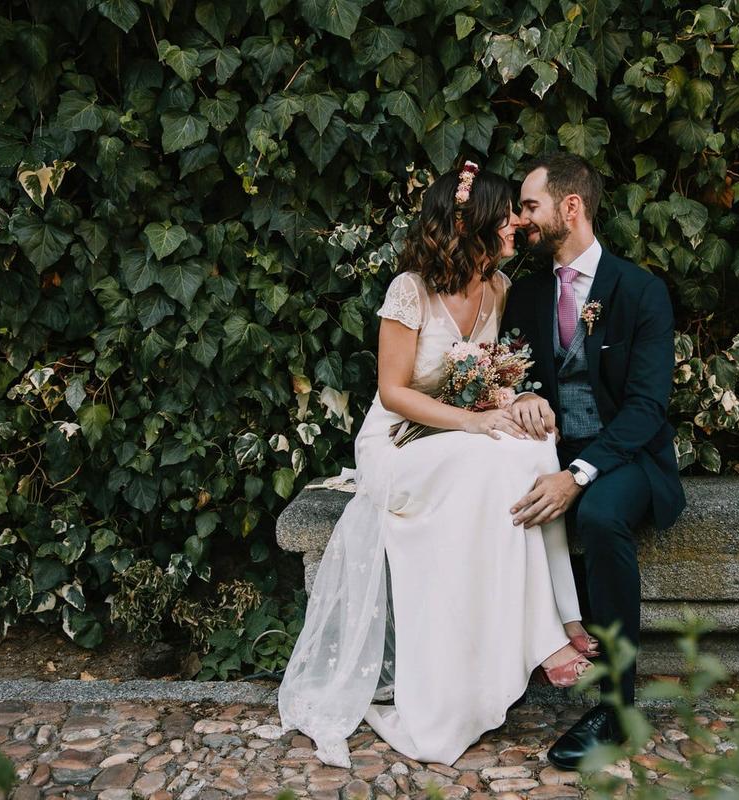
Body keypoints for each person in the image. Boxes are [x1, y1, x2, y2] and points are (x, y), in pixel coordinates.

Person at [278, 161, 597, 768]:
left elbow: (488, 379)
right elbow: (394, 392)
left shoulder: (498, 289)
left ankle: (560, 616)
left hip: (454, 435)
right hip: (397, 444)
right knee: (491, 461)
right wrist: (478, 421)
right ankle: (545, 636)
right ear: (472, 221)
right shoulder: (410, 289)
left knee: (535, 446)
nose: (515, 227)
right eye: (506, 216)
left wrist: (519, 401)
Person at [501, 152, 687, 770]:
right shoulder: (526, 294)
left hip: (628, 456)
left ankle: (617, 708)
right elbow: (511, 369)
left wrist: (578, 475)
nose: (521, 218)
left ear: (569, 207)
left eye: (530, 206)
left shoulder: (640, 291)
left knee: (601, 515)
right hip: (548, 448)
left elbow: (645, 408)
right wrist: (523, 392)